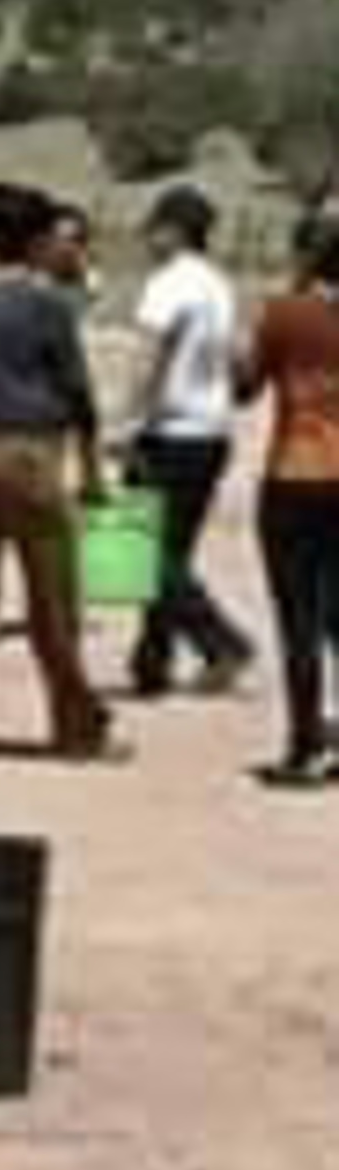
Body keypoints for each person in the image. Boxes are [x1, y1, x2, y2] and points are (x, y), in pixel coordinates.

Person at [0, 183, 115, 760]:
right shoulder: (46, 305)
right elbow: (77, 393)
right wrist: (90, 469)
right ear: (37, 242)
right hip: (31, 454)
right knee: (54, 601)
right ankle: (76, 726)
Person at [123, 183, 255, 701]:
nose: (148, 239)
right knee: (170, 553)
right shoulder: (220, 286)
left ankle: (222, 641)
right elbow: (238, 357)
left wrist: (125, 422)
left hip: (168, 432)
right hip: (211, 432)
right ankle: (150, 662)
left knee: (142, 551)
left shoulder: (167, 284)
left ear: (173, 231)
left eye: (154, 229)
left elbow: (148, 355)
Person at [239, 214, 339, 787]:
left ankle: (303, 747)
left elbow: (246, 385)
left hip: (296, 473)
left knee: (298, 618)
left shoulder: (286, 312)